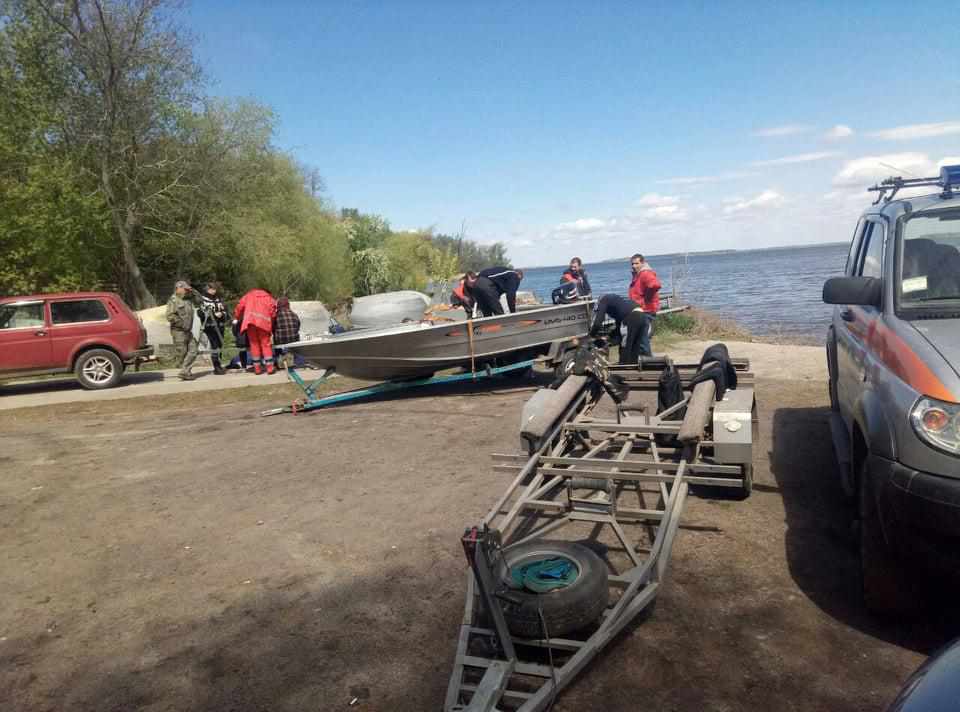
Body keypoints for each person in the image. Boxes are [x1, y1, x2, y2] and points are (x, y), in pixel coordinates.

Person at [589, 294, 654, 363]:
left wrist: (591, 335)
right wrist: (609, 337)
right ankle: (652, 366)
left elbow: (597, 323)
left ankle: (624, 368)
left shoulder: (603, 300)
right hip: (643, 315)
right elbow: (618, 329)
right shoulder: (619, 304)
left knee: (625, 348)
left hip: (632, 317)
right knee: (642, 347)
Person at [234, 288, 277, 375]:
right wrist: (271, 321)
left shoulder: (248, 296)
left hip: (251, 323)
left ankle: (257, 369)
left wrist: (237, 317)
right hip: (264, 323)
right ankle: (270, 368)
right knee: (266, 344)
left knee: (254, 345)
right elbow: (273, 311)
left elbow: (239, 306)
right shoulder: (268, 297)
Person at [627, 254, 661, 359]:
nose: (634, 266)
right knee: (640, 336)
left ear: (642, 263)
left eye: (636, 263)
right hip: (641, 309)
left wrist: (646, 299)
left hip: (646, 310)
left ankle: (648, 359)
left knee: (642, 337)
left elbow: (655, 285)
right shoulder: (638, 274)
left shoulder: (645, 273)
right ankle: (642, 359)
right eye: (632, 263)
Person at [165, 280, 198, 380]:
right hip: (178, 331)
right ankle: (184, 370)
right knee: (182, 352)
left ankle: (185, 371)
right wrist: (182, 324)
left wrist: (193, 292)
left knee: (193, 350)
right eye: (184, 289)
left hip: (188, 331)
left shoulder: (187, 299)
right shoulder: (173, 300)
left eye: (186, 289)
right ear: (178, 288)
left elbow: (198, 299)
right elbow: (170, 316)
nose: (186, 291)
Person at [197, 282, 228, 375]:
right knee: (214, 345)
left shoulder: (218, 299)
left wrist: (222, 314)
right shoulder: (203, 300)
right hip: (210, 326)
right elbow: (200, 313)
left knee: (220, 345)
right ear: (208, 289)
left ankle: (219, 364)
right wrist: (213, 315)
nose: (214, 291)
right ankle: (216, 366)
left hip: (220, 325)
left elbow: (225, 310)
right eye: (212, 289)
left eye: (215, 289)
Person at [273, 297, 304, 368]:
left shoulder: (276, 315)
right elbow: (298, 326)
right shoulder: (294, 314)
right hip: (294, 338)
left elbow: (272, 328)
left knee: (275, 339)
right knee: (294, 341)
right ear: (288, 305)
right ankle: (296, 361)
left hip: (280, 339)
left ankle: (279, 362)